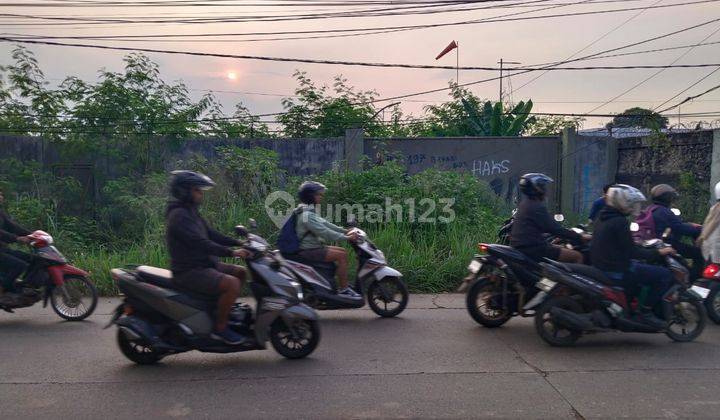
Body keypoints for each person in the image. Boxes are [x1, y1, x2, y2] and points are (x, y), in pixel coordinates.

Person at [165, 170, 250, 345]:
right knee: (232, 283)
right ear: (185, 191)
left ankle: (224, 311)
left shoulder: (191, 212)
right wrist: (231, 252)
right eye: (197, 190)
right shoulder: (179, 216)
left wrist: (239, 243)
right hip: (190, 271)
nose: (201, 193)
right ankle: (220, 328)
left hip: (204, 264)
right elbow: (202, 243)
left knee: (240, 273)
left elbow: (211, 234)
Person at [591, 184, 676, 328]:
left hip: (604, 265)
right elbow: (632, 252)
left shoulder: (602, 216)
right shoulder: (620, 222)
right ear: (621, 202)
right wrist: (659, 252)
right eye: (630, 203)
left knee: (643, 270)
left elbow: (623, 245)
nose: (632, 207)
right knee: (664, 275)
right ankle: (645, 311)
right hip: (617, 270)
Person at [294, 181, 360, 297]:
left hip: (313, 247)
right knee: (342, 255)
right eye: (318, 195)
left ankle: (340, 284)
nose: (321, 197)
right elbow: (325, 233)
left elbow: (326, 224)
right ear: (310, 196)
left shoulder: (307, 211)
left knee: (342, 252)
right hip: (309, 250)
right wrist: (347, 237)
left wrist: (345, 231)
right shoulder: (307, 215)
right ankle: (344, 289)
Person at [510, 173, 589, 264]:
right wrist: (580, 237)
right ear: (537, 188)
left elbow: (539, 227)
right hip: (534, 249)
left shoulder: (525, 204)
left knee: (560, 248)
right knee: (577, 256)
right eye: (543, 186)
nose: (545, 190)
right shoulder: (537, 207)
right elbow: (555, 229)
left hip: (523, 247)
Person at [649, 184, 704, 279]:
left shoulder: (650, 209)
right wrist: (699, 229)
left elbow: (676, 224)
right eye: (671, 197)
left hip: (651, 244)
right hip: (665, 245)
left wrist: (688, 224)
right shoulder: (665, 211)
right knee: (699, 253)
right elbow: (681, 228)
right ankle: (693, 280)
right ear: (667, 198)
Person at [0, 189, 34, 304]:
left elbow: (13, 226)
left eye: (1, 193)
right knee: (19, 265)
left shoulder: (0, 212)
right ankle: (3, 290)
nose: (1, 196)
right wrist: (16, 238)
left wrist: (32, 234)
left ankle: (23, 287)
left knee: (30, 259)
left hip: (3, 249)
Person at [697, 181, 720, 263]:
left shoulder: (714, 208)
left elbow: (708, 224)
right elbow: (714, 223)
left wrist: (702, 237)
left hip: (708, 250)